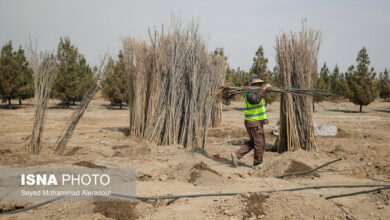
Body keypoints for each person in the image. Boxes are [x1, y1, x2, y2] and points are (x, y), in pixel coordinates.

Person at [231, 76, 271, 168]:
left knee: (254, 142)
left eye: (260, 84)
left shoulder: (256, 93)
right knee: (259, 143)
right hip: (254, 122)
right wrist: (263, 90)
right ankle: (258, 164)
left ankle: (236, 155)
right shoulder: (250, 94)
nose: (259, 85)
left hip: (255, 122)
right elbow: (255, 100)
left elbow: (262, 103)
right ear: (252, 85)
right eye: (257, 84)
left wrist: (263, 92)